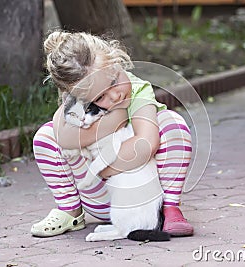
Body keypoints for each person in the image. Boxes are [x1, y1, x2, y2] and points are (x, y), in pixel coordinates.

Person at [31, 30, 193, 238]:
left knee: (172, 124)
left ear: (118, 61)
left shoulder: (137, 90)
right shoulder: (77, 97)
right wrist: (116, 119)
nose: (115, 95)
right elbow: (63, 138)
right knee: (45, 136)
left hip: (141, 198)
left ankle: (169, 207)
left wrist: (105, 167)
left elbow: (146, 143)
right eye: (101, 96)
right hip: (98, 196)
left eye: (114, 81)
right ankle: (70, 210)